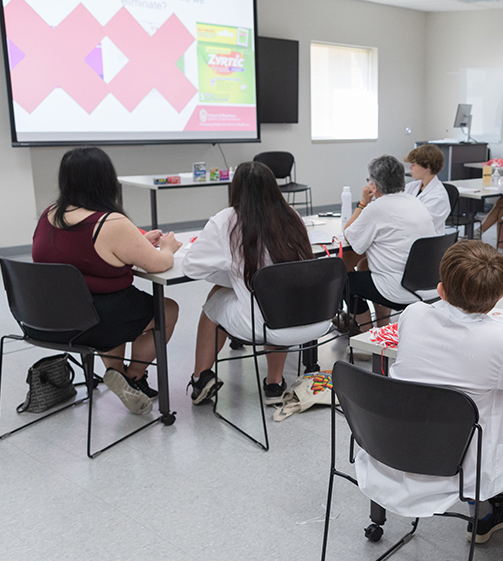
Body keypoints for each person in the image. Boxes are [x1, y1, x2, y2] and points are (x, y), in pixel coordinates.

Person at [354, 241, 503, 541]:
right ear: (501, 295)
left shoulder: (412, 315)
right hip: (458, 462)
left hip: (391, 442)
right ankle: (485, 510)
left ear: (441, 290)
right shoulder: (501, 341)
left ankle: (484, 509)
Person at [31, 147, 180, 415]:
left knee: (114, 307)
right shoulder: (110, 222)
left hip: (45, 319)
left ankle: (115, 372)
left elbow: (82, 258)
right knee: (167, 309)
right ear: (105, 180)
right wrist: (168, 247)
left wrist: (134, 246)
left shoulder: (48, 214)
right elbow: (160, 263)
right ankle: (132, 376)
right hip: (93, 322)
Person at [183, 161, 331, 403]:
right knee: (276, 300)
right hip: (315, 318)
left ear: (236, 189)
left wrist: (230, 269)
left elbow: (191, 267)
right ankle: (274, 382)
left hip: (266, 324)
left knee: (213, 301)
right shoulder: (291, 216)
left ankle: (201, 377)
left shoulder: (227, 219)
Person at [342, 154, 436, 330]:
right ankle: (382, 326)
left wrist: (363, 202)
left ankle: (368, 333)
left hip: (399, 290)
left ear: (374, 185)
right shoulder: (415, 202)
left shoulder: (377, 208)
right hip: (428, 285)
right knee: (366, 265)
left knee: (343, 281)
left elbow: (349, 234)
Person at [403, 144, 450, 235]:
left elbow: (420, 225)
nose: (410, 168)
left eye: (413, 164)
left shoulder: (438, 196)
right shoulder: (411, 186)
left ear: (426, 167)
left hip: (426, 242)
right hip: (409, 236)